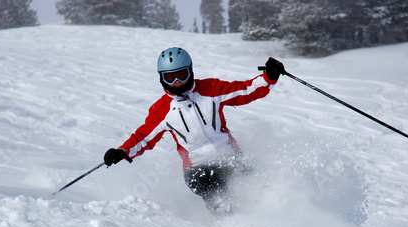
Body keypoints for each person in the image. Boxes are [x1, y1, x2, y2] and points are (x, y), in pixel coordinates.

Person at [104, 47, 284, 215]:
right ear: (161, 78)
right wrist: (122, 151)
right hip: (198, 169)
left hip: (231, 158)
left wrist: (269, 77)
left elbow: (245, 91)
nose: (176, 83)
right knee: (215, 190)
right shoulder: (162, 109)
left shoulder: (210, 89)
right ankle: (232, 222)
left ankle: (274, 212)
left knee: (258, 184)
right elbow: (143, 138)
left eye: (182, 75)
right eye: (170, 78)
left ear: (191, 71)